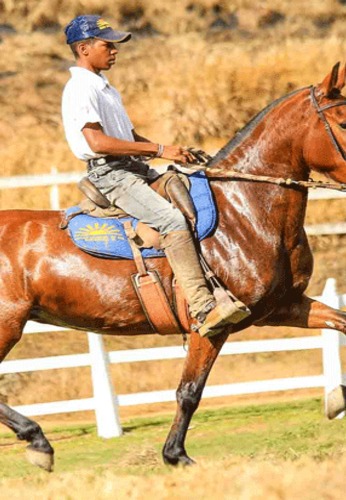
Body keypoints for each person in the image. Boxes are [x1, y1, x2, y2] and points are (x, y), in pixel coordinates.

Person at [60, 15, 240, 337]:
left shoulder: (105, 89)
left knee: (188, 187)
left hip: (131, 166)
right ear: (84, 49)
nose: (114, 51)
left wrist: (172, 150)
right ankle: (202, 307)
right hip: (112, 176)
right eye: (107, 45)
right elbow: (97, 142)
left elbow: (129, 135)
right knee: (171, 221)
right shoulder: (80, 89)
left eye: (115, 45)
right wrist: (159, 151)